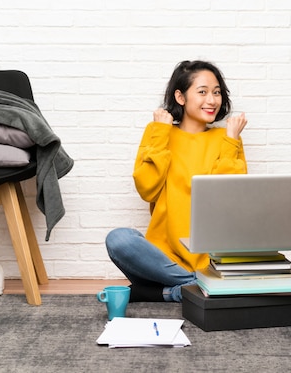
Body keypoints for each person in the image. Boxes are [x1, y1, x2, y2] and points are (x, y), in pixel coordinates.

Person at [105, 60, 248, 302]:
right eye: (202, 92)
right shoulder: (159, 132)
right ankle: (197, 288)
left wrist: (232, 140)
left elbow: (230, 200)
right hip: (164, 261)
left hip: (212, 259)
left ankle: (176, 292)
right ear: (180, 97)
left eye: (216, 92)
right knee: (118, 239)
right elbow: (147, 189)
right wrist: (161, 132)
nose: (212, 100)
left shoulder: (226, 138)